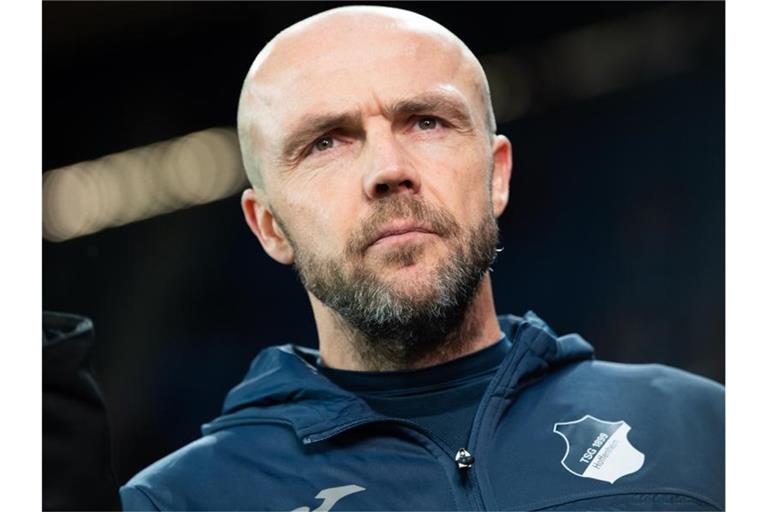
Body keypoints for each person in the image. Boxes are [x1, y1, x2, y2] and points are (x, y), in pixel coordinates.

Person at [120, 6, 724, 511]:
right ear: (269, 225)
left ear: (497, 176)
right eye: (326, 142)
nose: (389, 170)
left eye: (427, 122)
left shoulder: (707, 429)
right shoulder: (179, 502)